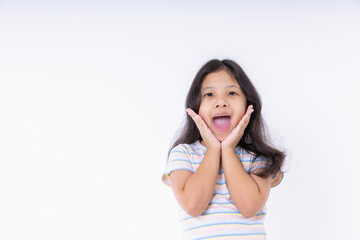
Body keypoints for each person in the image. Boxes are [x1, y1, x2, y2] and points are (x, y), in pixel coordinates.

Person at [162, 59, 286, 239]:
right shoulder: (183, 154)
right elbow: (193, 205)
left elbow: (249, 206)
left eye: (232, 93)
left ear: (248, 105)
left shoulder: (257, 157)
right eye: (209, 94)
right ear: (196, 107)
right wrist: (213, 149)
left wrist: (228, 150)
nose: (221, 102)